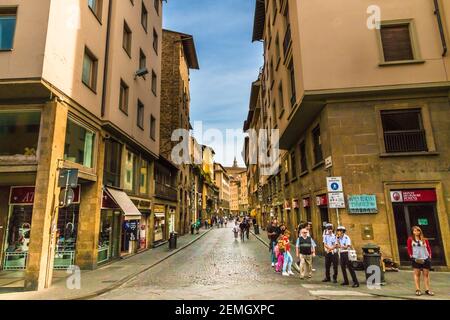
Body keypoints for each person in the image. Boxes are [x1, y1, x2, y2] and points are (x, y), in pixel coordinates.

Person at [407, 226, 434, 296]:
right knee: (417, 274)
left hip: (425, 258)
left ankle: (427, 290)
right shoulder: (410, 239)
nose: (416, 232)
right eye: (415, 231)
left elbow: (428, 248)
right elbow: (409, 248)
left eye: (418, 231)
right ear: (413, 232)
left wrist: (429, 255)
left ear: (420, 231)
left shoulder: (425, 239)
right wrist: (411, 255)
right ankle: (418, 289)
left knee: (426, 275)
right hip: (416, 258)